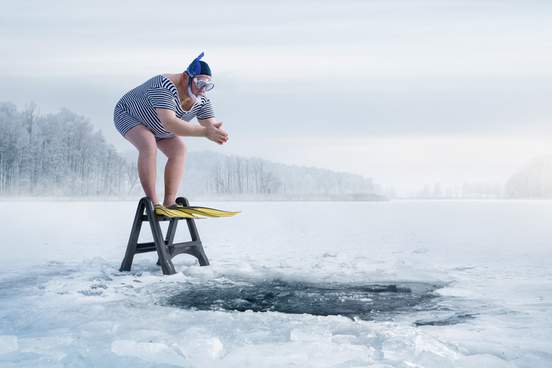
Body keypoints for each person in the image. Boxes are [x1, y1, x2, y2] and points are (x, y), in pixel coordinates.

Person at [113, 52, 228, 216]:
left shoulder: (200, 99)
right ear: (185, 77)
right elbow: (170, 123)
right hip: (129, 115)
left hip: (159, 126)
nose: (203, 89)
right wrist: (204, 132)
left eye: (207, 86)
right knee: (148, 144)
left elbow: (210, 124)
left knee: (179, 151)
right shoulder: (164, 87)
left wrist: (216, 131)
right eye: (200, 83)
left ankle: (170, 202)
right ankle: (154, 203)